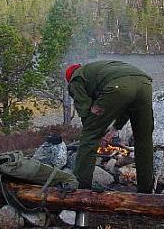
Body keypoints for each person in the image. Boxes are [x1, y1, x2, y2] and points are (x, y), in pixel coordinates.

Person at [66, 60, 154, 193]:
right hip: (144, 84)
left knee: (89, 136)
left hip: (118, 86)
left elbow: (84, 112)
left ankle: (81, 188)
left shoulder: (75, 79)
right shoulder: (98, 70)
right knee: (144, 141)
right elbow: (127, 105)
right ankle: (146, 192)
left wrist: (94, 130)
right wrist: (112, 131)